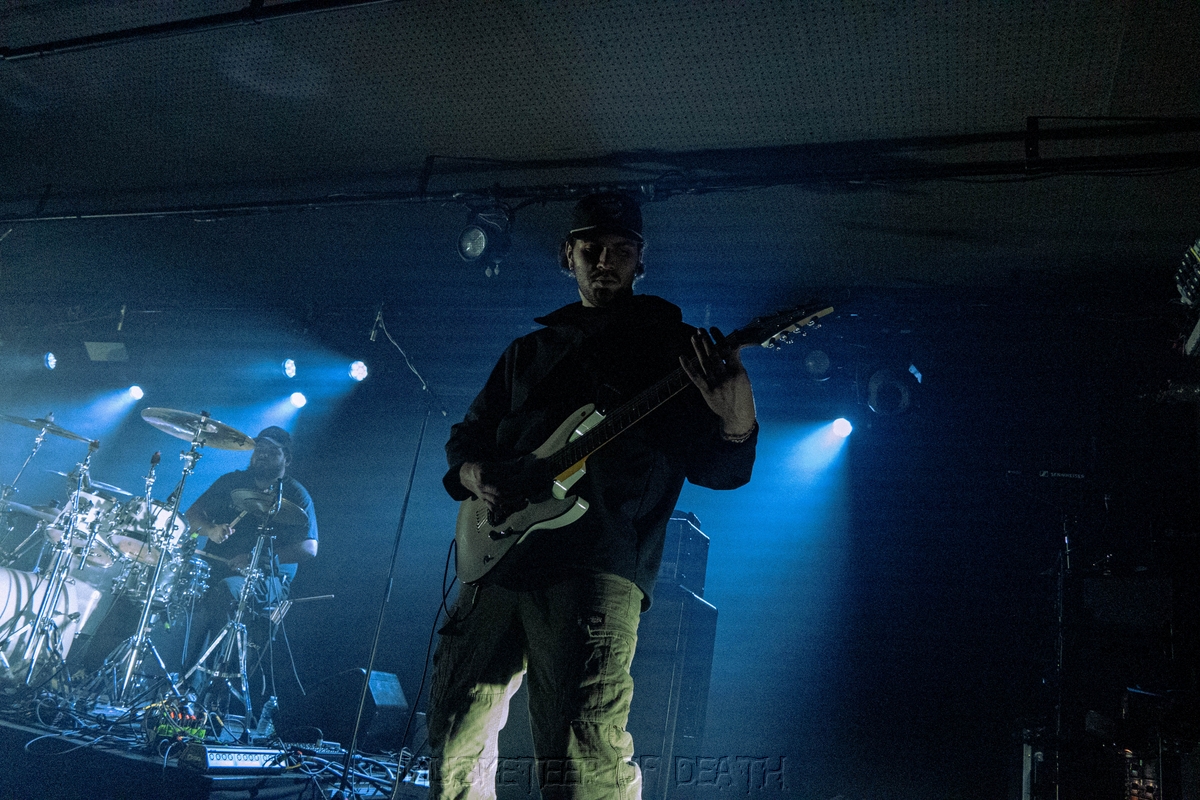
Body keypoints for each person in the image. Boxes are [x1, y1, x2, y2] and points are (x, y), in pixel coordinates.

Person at [428, 192, 758, 800]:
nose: (605, 261)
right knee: (454, 733)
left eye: (621, 250)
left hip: (595, 562)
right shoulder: (528, 351)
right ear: (568, 256)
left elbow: (720, 470)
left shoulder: (675, 351)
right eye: (591, 249)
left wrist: (738, 417)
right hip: (497, 560)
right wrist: (473, 474)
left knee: (580, 753)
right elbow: (467, 436)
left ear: (641, 262)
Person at [182, 426, 317, 682]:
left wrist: (258, 558)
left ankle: (204, 682)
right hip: (216, 567)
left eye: (271, 451)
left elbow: (309, 548)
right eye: (259, 449)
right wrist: (210, 529)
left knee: (225, 591)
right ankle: (177, 679)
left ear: (287, 459)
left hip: (267, 578)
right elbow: (191, 516)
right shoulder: (232, 482)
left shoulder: (295, 494)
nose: (262, 454)